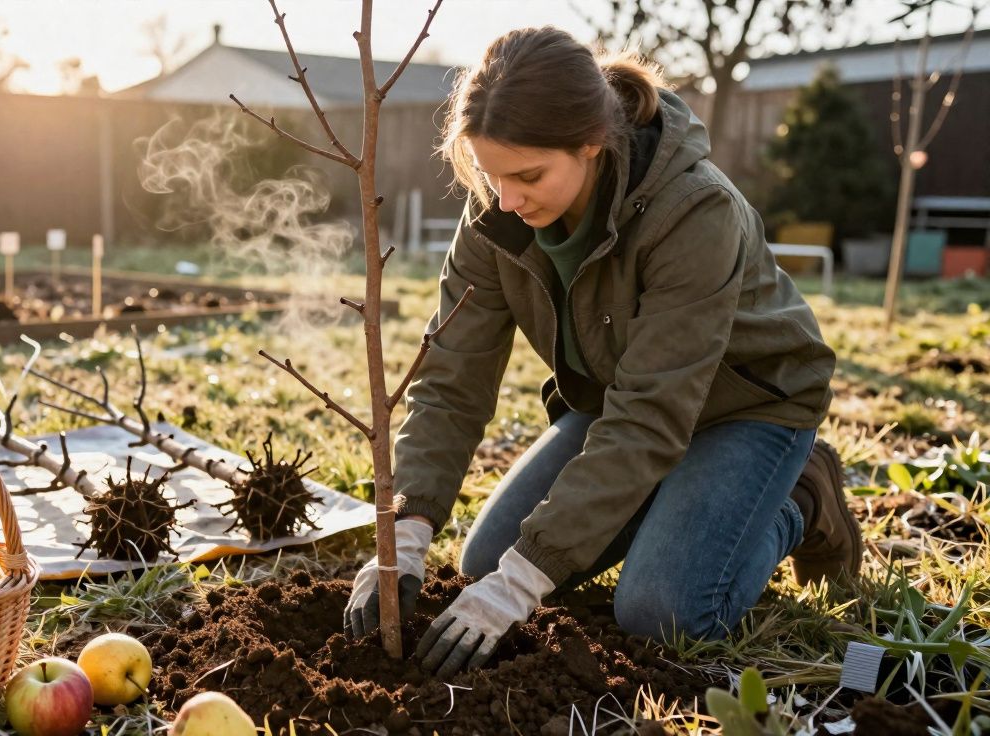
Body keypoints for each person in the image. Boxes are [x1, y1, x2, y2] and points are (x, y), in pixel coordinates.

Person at [342, 26, 862, 678]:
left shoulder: (693, 210)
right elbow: (451, 378)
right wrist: (409, 527)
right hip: (621, 400)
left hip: (749, 405)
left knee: (660, 610)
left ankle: (803, 500)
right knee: (484, 563)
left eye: (528, 175)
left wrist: (525, 581)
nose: (506, 199)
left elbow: (654, 413)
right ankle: (680, 501)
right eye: (490, 173)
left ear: (591, 142)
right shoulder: (495, 218)